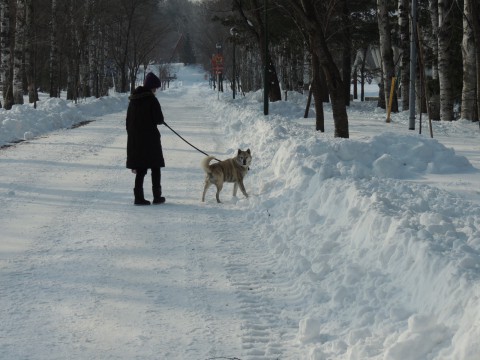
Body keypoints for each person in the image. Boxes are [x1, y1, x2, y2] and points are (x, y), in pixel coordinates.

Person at [126, 72, 166, 205]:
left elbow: (128, 122)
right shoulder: (151, 100)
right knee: (155, 167)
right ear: (152, 87)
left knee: (141, 169)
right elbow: (159, 119)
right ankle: (157, 196)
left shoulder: (133, 100)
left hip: (136, 139)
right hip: (150, 139)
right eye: (155, 88)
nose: (156, 91)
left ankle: (138, 197)